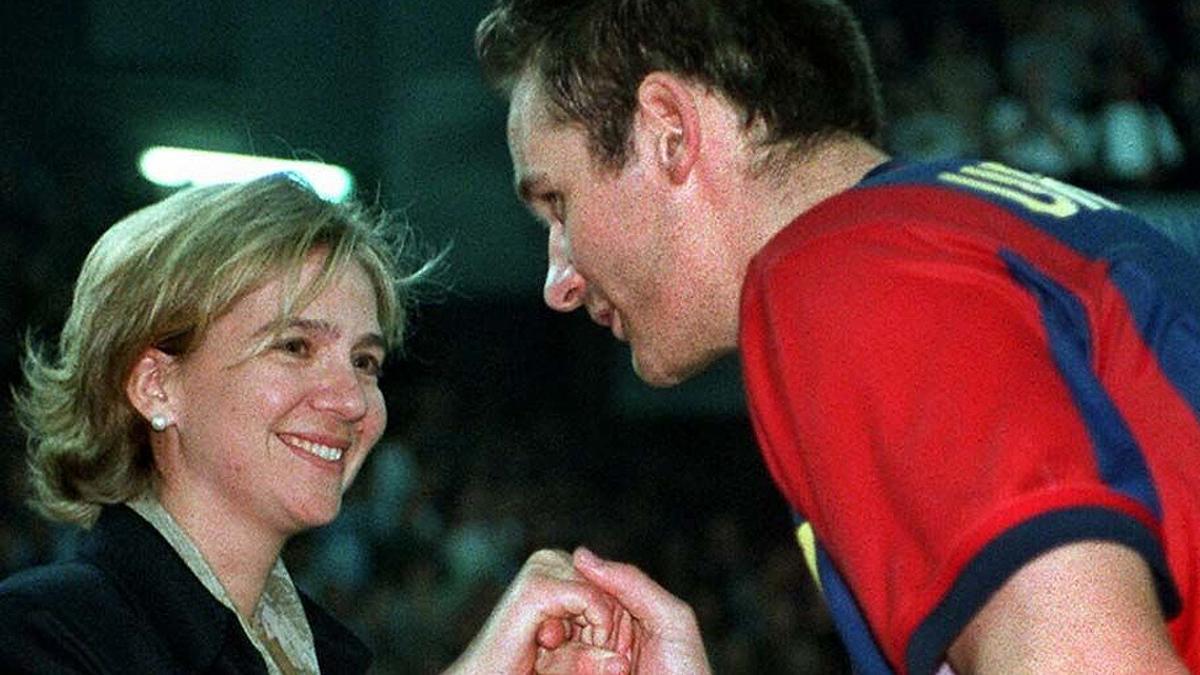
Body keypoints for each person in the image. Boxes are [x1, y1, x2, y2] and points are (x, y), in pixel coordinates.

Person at [475, 0, 1200, 672]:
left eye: (556, 203)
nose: (559, 279)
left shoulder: (849, 269)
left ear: (668, 127)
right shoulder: (966, 230)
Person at [0, 173, 631, 674]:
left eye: (365, 360)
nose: (353, 400)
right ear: (155, 384)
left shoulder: (327, 655)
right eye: (295, 347)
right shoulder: (39, 635)